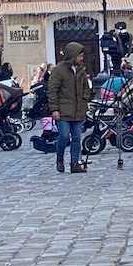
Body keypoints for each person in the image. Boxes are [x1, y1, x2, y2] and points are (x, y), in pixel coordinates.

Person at [48, 42, 92, 174]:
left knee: (77, 137)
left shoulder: (81, 70)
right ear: (73, 55)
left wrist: (85, 97)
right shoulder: (59, 70)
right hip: (63, 111)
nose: (82, 58)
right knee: (64, 136)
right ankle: (60, 158)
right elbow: (52, 90)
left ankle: (75, 164)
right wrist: (54, 109)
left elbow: (86, 87)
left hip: (79, 109)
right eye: (80, 55)